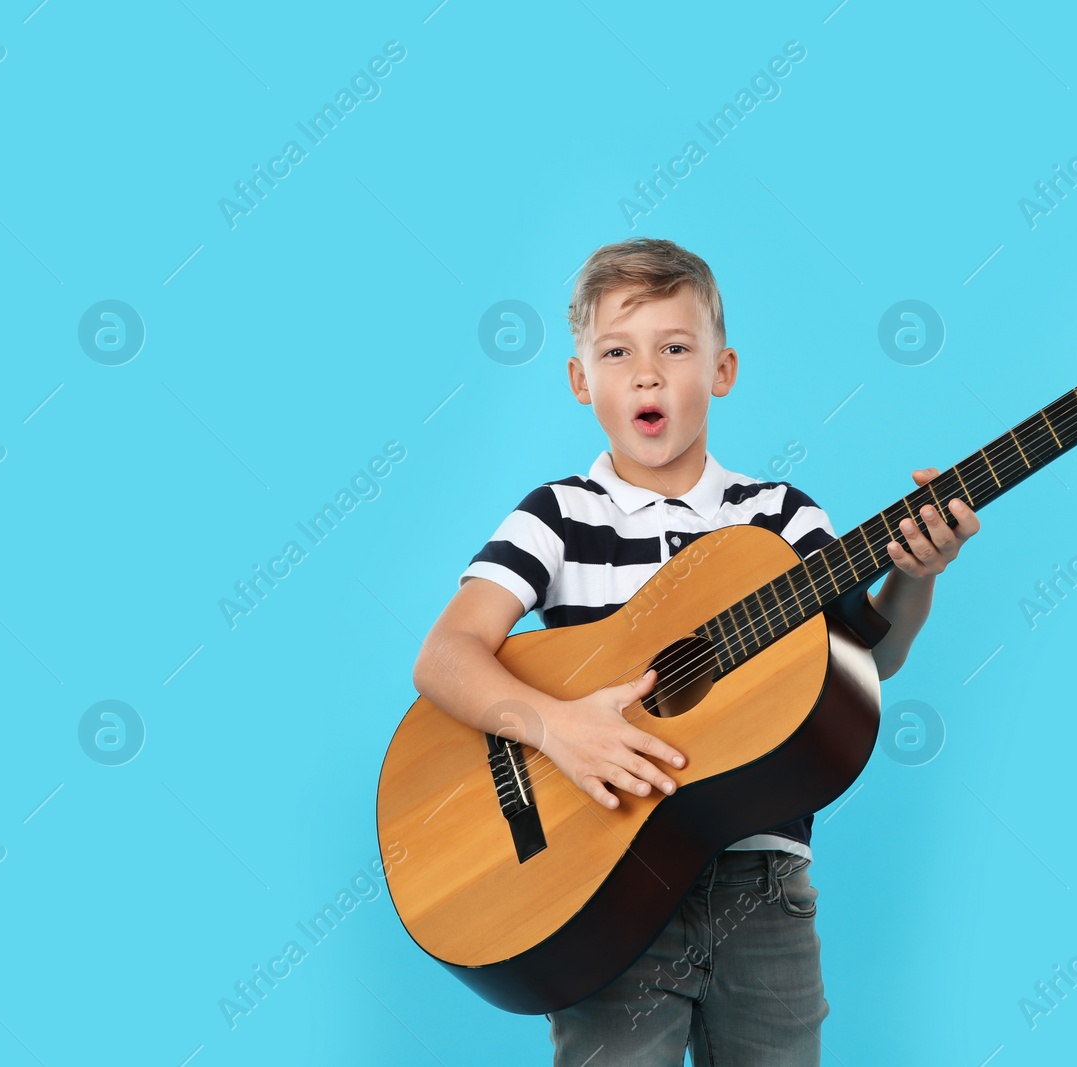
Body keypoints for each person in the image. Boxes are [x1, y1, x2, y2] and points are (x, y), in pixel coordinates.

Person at [411, 237, 980, 1065]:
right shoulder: (559, 515)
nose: (648, 373)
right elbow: (445, 656)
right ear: (581, 381)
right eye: (617, 351)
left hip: (767, 893)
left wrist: (916, 578)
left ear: (723, 369)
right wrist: (557, 727)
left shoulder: (779, 518)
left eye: (675, 348)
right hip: (609, 888)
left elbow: (864, 660)